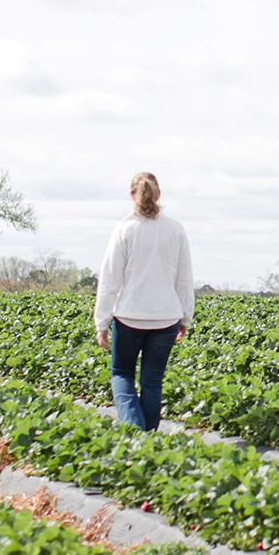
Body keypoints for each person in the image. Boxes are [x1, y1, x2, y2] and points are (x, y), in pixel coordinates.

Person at [94, 172, 194, 431]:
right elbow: (184, 279)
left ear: (132, 195)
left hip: (129, 317)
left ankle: (134, 431)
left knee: (121, 374)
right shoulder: (175, 229)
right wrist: (185, 318)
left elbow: (109, 280)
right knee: (152, 381)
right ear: (158, 194)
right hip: (166, 318)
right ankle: (148, 438)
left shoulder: (124, 229)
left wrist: (101, 323)